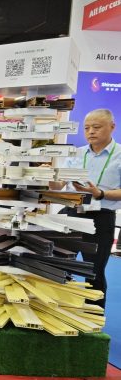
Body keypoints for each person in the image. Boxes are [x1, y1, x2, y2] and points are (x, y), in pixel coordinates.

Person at [52, 109, 120, 307]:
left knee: (94, 272)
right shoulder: (77, 153)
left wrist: (100, 193)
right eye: (87, 128)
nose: (91, 131)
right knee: (59, 266)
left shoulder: (119, 155)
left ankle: (93, 319)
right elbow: (58, 185)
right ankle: (60, 311)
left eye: (96, 127)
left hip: (101, 218)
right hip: (71, 214)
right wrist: (49, 175)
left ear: (112, 127)